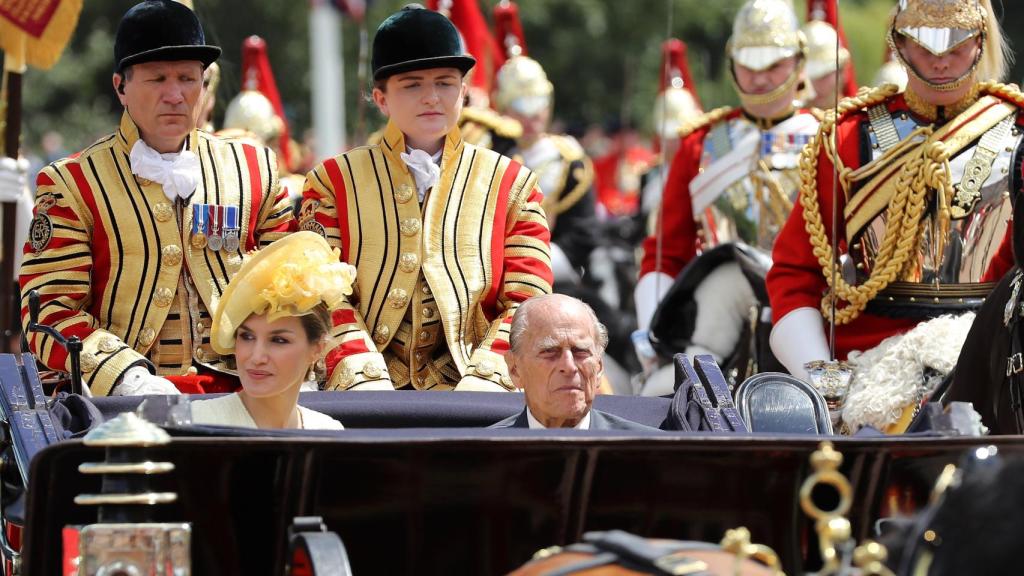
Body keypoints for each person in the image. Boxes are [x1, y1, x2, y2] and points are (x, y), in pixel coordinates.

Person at [767, 0, 1021, 432]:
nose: (940, 61)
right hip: (868, 360)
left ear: (980, 41)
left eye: (956, 45)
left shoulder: (1019, 130)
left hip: (993, 346)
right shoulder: (846, 137)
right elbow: (795, 273)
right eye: (925, 45)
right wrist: (821, 379)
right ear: (899, 42)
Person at [18, 0, 295, 396]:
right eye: (157, 78)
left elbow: (292, 289)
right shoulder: (73, 183)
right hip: (120, 400)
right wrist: (124, 376)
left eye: (187, 78)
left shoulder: (255, 169)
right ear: (121, 87)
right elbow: (49, 312)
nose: (175, 94)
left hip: (244, 392)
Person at [300, 5, 553, 392]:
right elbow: (322, 293)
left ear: (464, 92)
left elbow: (527, 297)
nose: (432, 97)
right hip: (366, 389)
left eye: (445, 83)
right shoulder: (332, 182)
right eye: (412, 85)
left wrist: (488, 376)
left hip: (477, 387)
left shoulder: (513, 183)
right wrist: (360, 375)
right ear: (381, 99)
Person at [633, 0, 819, 393]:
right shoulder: (701, 144)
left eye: (774, 65)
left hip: (812, 309)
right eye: (749, 65)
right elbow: (666, 252)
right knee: (661, 396)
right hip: (717, 320)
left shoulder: (830, 136)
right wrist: (653, 329)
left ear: (799, 61)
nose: (760, 77)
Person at [191, 232, 347, 430]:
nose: (257, 357)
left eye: (278, 340)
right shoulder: (194, 425)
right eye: (247, 336)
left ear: (317, 348)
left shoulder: (327, 431)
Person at [491, 294, 658, 430]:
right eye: (550, 352)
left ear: (599, 368)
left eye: (581, 351)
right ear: (515, 369)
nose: (569, 366)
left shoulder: (649, 451)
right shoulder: (483, 453)